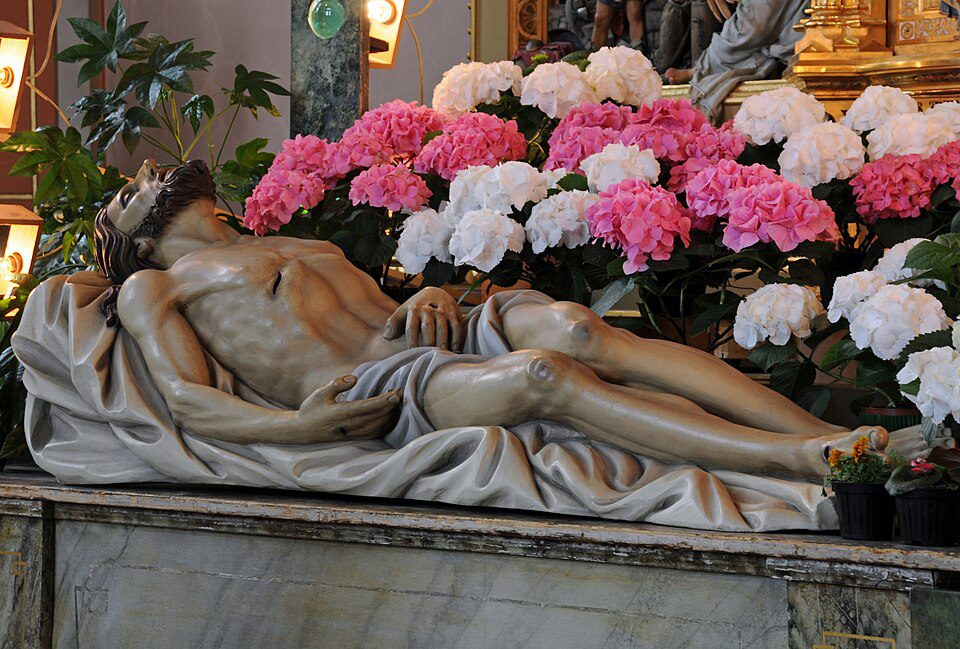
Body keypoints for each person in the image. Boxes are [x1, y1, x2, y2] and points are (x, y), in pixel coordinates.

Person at [76, 158, 895, 481]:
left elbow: (384, 307)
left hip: (437, 330)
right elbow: (186, 399)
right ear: (134, 238)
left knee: (577, 326)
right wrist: (301, 426)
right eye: (128, 192)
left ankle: (849, 445)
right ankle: (805, 457)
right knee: (547, 375)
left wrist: (426, 296)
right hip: (388, 385)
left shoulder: (289, 236)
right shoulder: (160, 287)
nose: (147, 171)